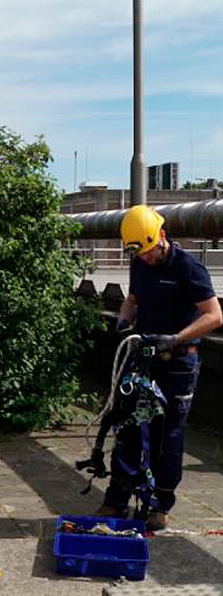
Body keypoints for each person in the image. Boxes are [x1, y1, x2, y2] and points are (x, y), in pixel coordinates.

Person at [98, 204, 222, 530]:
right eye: (141, 255)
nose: (147, 259)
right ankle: (116, 500)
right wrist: (125, 318)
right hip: (145, 356)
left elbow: (214, 315)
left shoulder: (188, 269)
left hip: (178, 362)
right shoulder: (140, 263)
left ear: (162, 236)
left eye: (150, 253)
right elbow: (133, 299)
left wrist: (176, 338)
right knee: (128, 428)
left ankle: (159, 504)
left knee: (167, 436)